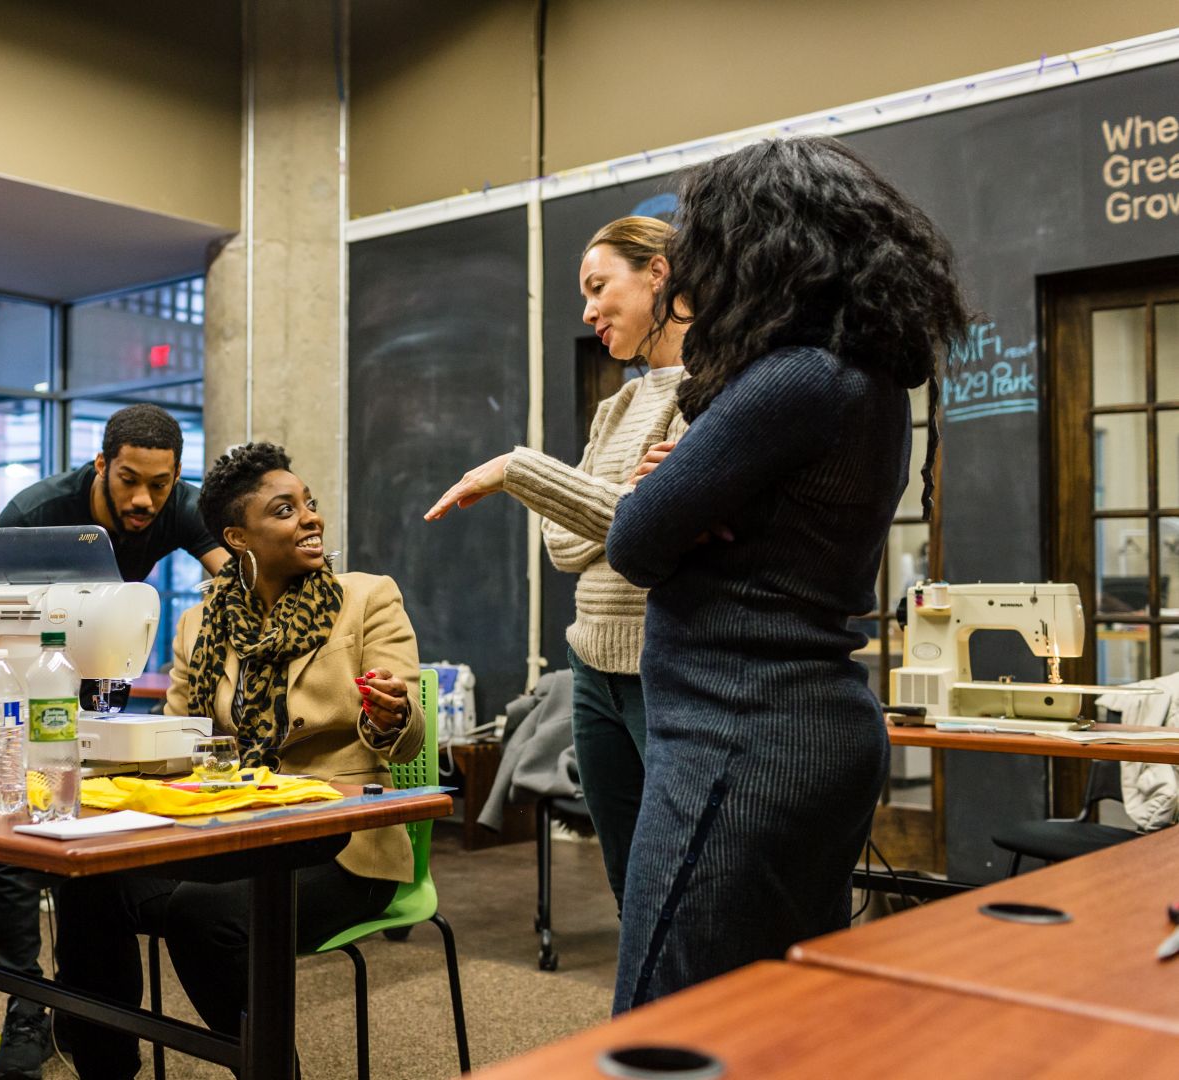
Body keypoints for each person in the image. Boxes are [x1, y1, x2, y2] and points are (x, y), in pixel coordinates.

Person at [604, 136, 968, 1008]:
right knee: (779, 1026)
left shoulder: (791, 378)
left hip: (740, 736)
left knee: (662, 1024)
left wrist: (668, 496)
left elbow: (634, 541)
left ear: (762, 249)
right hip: (804, 733)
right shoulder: (866, 381)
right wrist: (686, 495)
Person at [53, 441, 425, 1079]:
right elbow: (177, 741)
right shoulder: (198, 625)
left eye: (308, 503)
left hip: (339, 843)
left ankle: (271, 1072)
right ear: (237, 537)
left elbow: (407, 735)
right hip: (226, 826)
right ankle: (107, 1069)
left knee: (202, 916)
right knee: (86, 878)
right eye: (285, 510)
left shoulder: (366, 598)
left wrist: (390, 714)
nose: (310, 517)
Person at [424, 216, 688, 911]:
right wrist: (623, 499)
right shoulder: (618, 405)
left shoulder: (712, 393)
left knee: (678, 878)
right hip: (591, 670)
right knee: (627, 881)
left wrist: (525, 472)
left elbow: (651, 530)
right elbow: (565, 544)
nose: (589, 310)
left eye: (599, 287)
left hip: (661, 667)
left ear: (657, 273)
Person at [0, 403, 229, 1080]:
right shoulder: (37, 514)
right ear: (100, 466)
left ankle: (86, 1008)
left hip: (94, 675)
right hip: (22, 670)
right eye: (128, 481)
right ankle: (25, 1006)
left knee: (97, 838)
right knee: (14, 835)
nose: (144, 499)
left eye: (160, 484)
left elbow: (232, 577)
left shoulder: (177, 506)